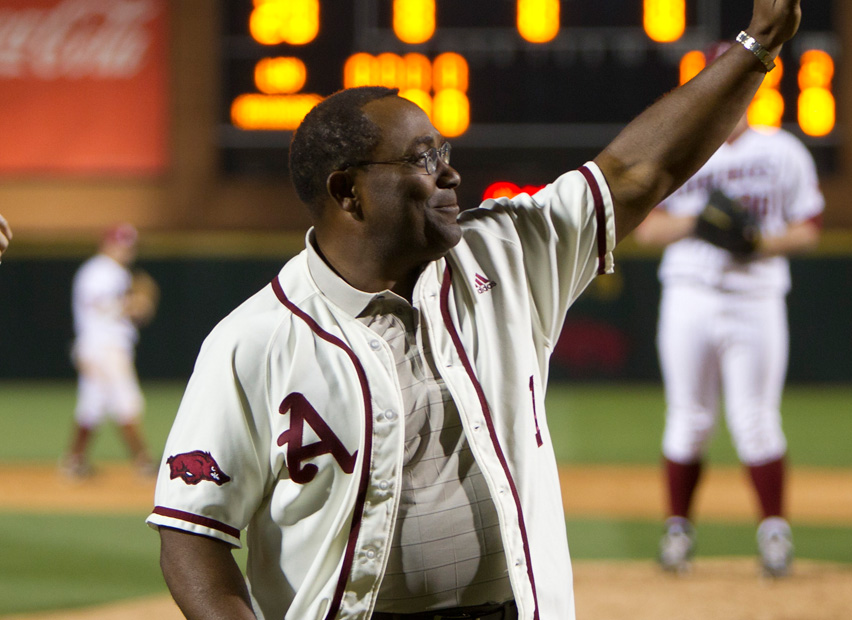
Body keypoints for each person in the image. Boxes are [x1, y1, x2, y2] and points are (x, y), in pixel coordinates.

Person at [147, 2, 803, 618]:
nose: (451, 174)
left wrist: (758, 45)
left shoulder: (508, 251)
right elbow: (190, 531)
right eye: (422, 160)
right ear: (348, 191)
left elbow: (639, 172)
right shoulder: (255, 339)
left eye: (445, 154)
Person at [634, 44, 824, 578]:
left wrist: (758, 242)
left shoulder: (782, 151)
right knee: (688, 419)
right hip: (690, 295)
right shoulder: (682, 146)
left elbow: (809, 228)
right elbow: (647, 228)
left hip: (755, 297)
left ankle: (775, 535)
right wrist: (699, 225)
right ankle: (677, 533)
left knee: (756, 421)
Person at [63, 223, 158, 478]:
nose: (127, 250)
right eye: (121, 244)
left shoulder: (115, 272)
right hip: (103, 346)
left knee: (93, 404)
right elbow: (103, 308)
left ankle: (74, 461)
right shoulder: (99, 271)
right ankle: (144, 461)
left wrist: (135, 306)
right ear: (107, 244)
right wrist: (135, 303)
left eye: (129, 245)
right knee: (127, 401)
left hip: (103, 345)